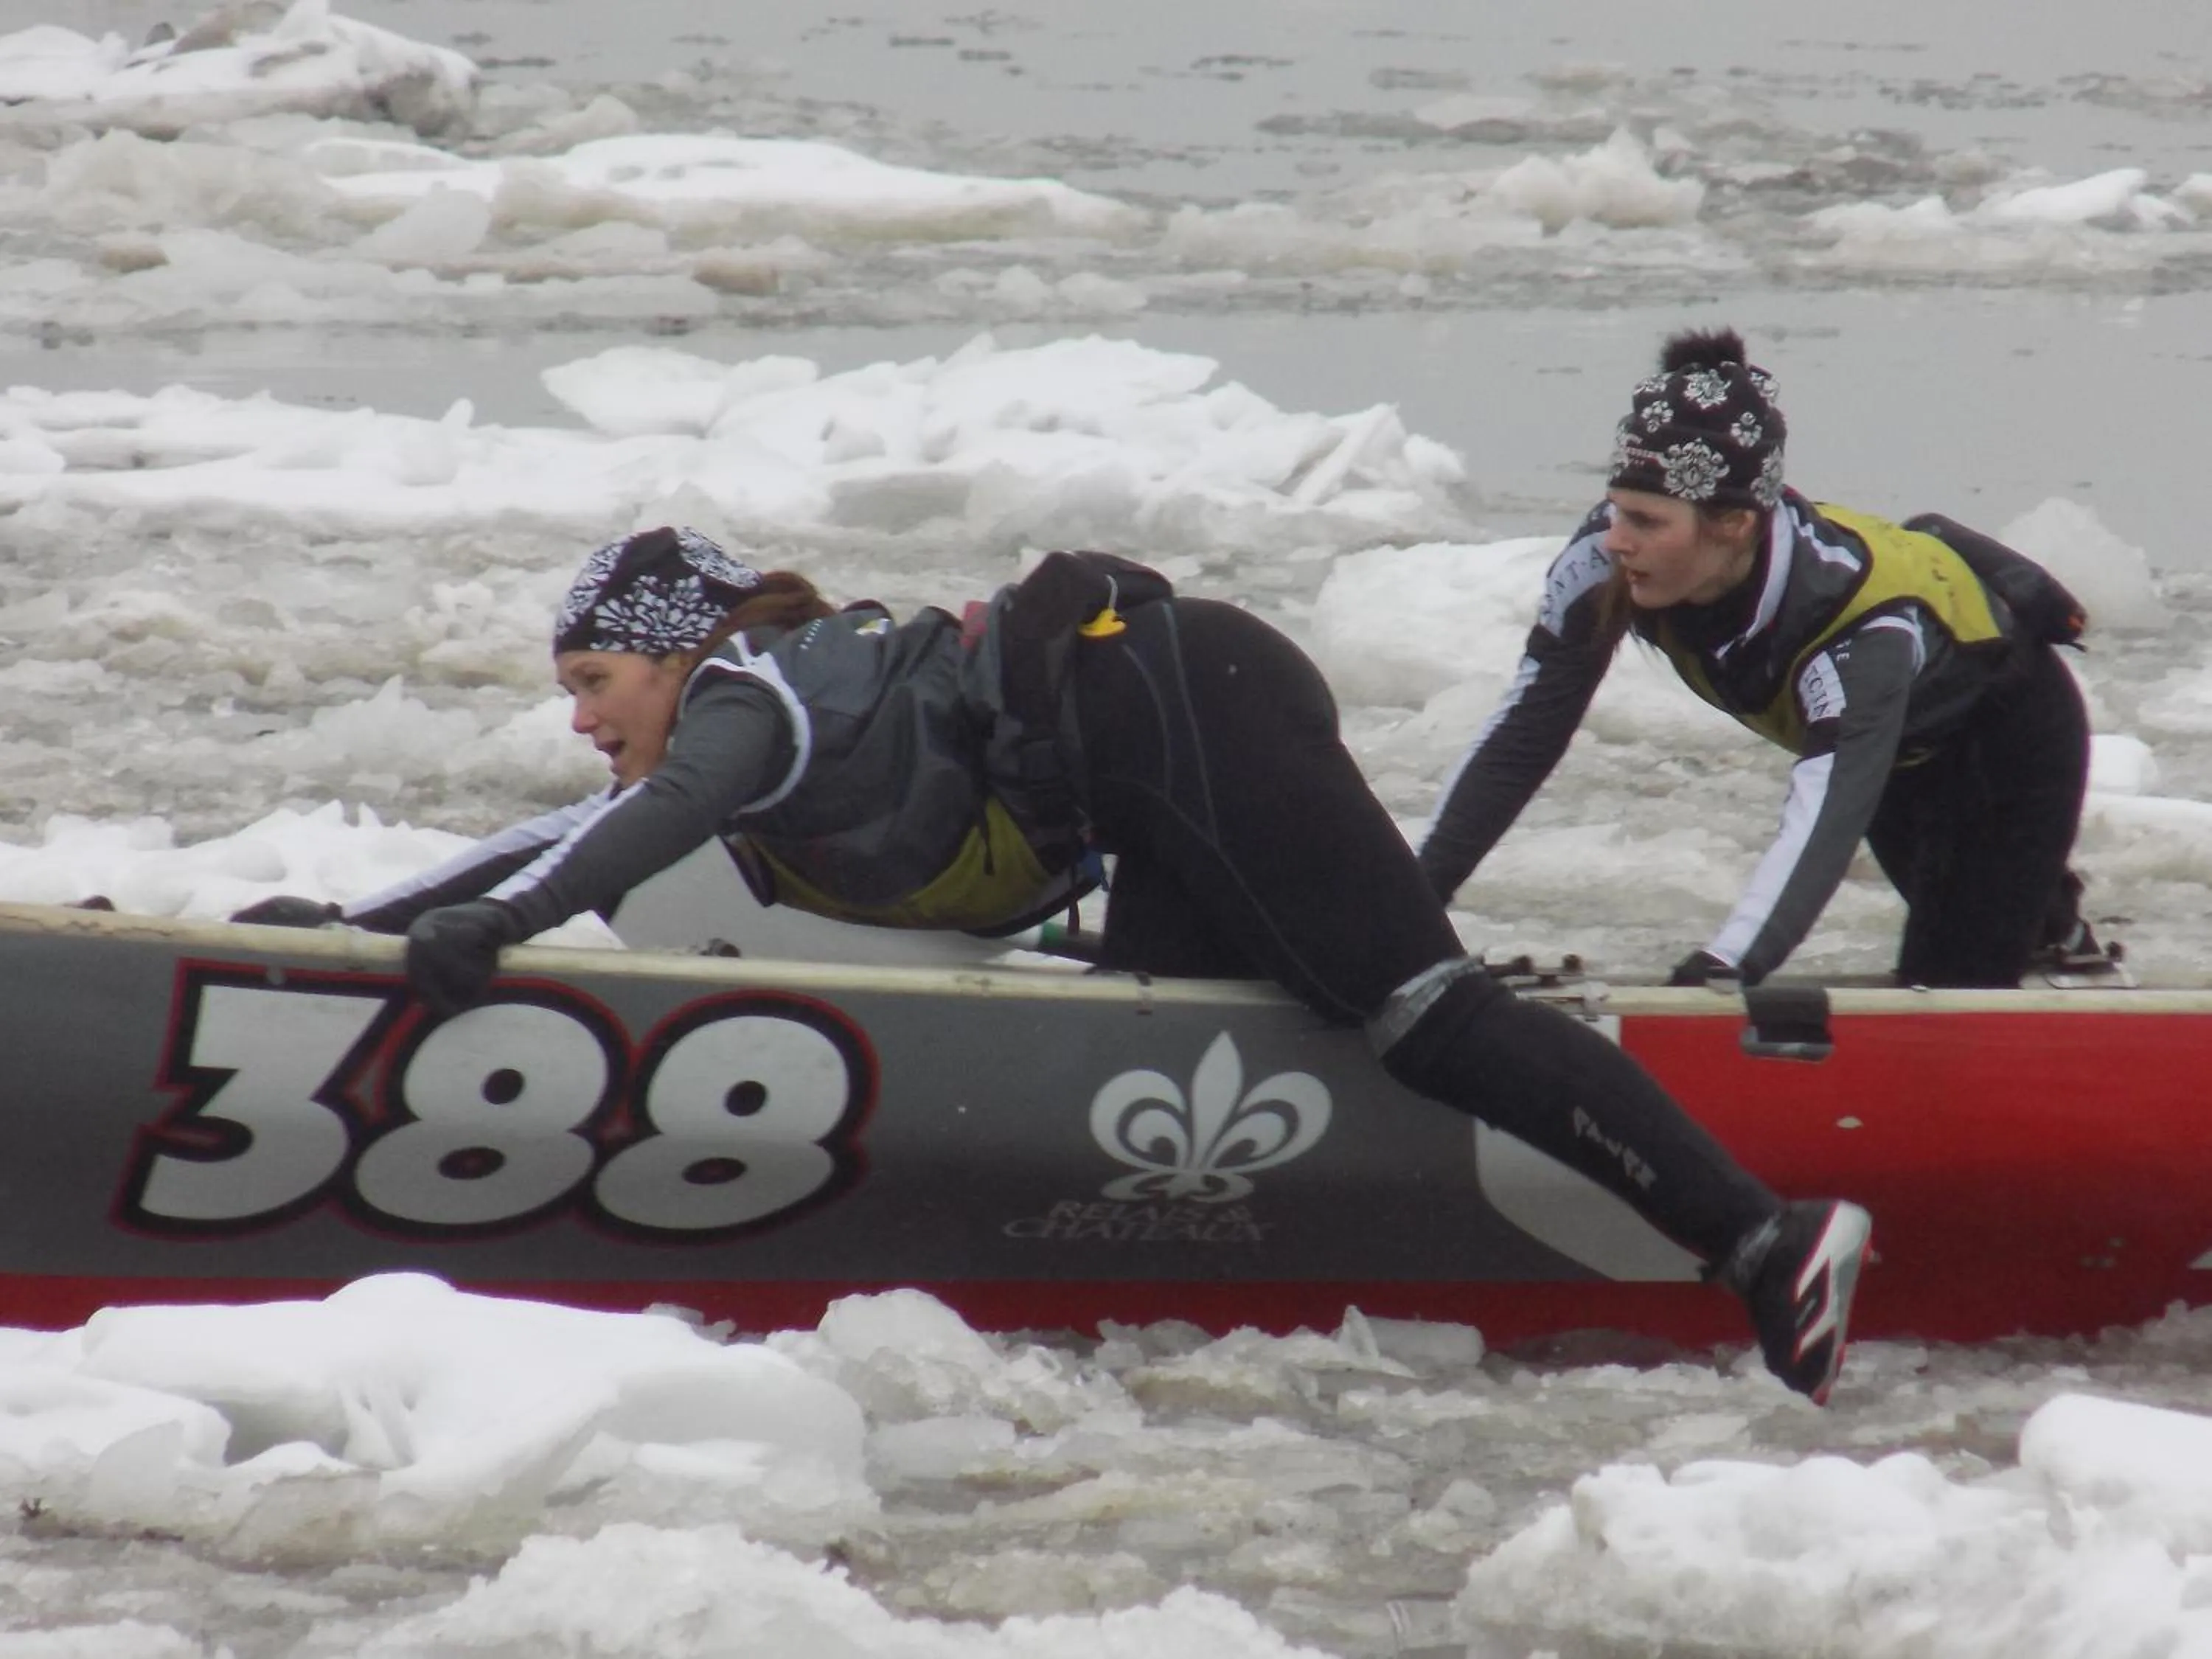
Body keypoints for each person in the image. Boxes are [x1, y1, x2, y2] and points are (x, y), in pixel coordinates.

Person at [234, 523, 1872, 1402]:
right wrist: (366, 933)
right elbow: (553, 838)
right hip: (1159, 736)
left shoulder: (751, 698)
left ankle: (1764, 1235)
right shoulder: (747, 728)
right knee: (1146, 1053)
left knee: (1415, 1010)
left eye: (594, 676)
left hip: (1177, 704)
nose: (579, 714)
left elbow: (651, 819)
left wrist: (498, 941)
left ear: (675, 653)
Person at [1419, 326, 2103, 991]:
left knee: (1954, 977)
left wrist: (1727, 967)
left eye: (1648, 522)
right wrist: (1413, 903)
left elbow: (1822, 822)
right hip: (1897, 749)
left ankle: (2051, 941)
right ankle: (2042, 919)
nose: (1616, 540)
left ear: (1735, 523)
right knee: (1963, 910)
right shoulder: (1608, 562)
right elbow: (1523, 735)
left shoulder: (1858, 628)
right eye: (1616, 510)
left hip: (2002, 738)